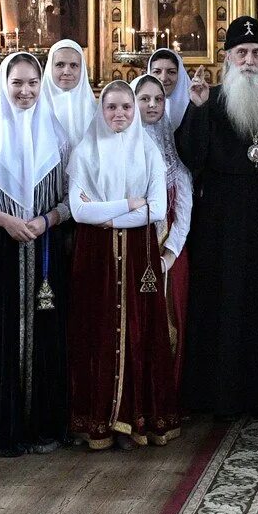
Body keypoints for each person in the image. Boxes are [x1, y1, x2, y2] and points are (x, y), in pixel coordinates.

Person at [177, 16, 258, 416]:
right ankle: (223, 394)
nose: (249, 60)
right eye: (241, 53)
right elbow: (190, 157)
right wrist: (197, 112)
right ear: (228, 58)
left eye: (256, 53)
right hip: (221, 220)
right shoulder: (209, 101)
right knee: (225, 300)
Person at [0, 51, 73, 456]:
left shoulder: (57, 138)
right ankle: (0, 429)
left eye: (32, 83)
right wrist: (2, 219)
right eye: (17, 83)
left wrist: (47, 220)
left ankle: (42, 425)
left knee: (45, 335)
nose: (25, 91)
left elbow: (73, 199)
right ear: (4, 87)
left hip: (44, 251)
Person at [68, 80, 175, 448]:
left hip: (137, 255)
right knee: (96, 331)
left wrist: (112, 218)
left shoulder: (149, 152)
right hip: (94, 254)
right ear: (101, 111)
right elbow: (80, 212)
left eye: (126, 108)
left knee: (138, 330)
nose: (120, 114)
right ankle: (100, 422)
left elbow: (157, 209)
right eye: (111, 108)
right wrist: (129, 205)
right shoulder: (84, 151)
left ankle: (135, 420)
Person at [135, 74, 193, 394]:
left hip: (170, 247)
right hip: (133, 246)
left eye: (158, 99)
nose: (153, 105)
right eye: (144, 99)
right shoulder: (121, 142)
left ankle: (166, 397)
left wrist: (171, 250)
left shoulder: (173, 141)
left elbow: (184, 200)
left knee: (172, 320)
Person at [41, 40, 92, 145]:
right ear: (50, 68)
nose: (67, 72)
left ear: (82, 70)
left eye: (73, 65)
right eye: (60, 65)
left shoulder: (95, 111)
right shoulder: (35, 108)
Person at [146, 46, 192, 129]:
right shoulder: (138, 106)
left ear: (180, 75)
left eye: (171, 72)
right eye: (157, 72)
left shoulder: (194, 107)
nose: (163, 78)